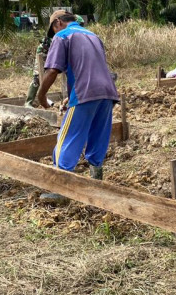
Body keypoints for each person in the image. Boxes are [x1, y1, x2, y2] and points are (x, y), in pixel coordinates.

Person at [36, 11, 119, 200]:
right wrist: (70, 96)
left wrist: (41, 95)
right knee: (98, 135)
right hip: (107, 92)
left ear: (58, 23)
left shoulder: (62, 35)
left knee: (68, 137)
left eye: (53, 29)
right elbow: (89, 68)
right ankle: (96, 182)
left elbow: (52, 70)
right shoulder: (93, 36)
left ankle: (62, 189)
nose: (54, 33)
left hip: (85, 93)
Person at [25, 15, 84, 107]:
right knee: (37, 77)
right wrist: (42, 96)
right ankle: (29, 102)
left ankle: (68, 97)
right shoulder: (60, 34)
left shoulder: (78, 34)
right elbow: (52, 71)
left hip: (57, 54)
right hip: (44, 52)